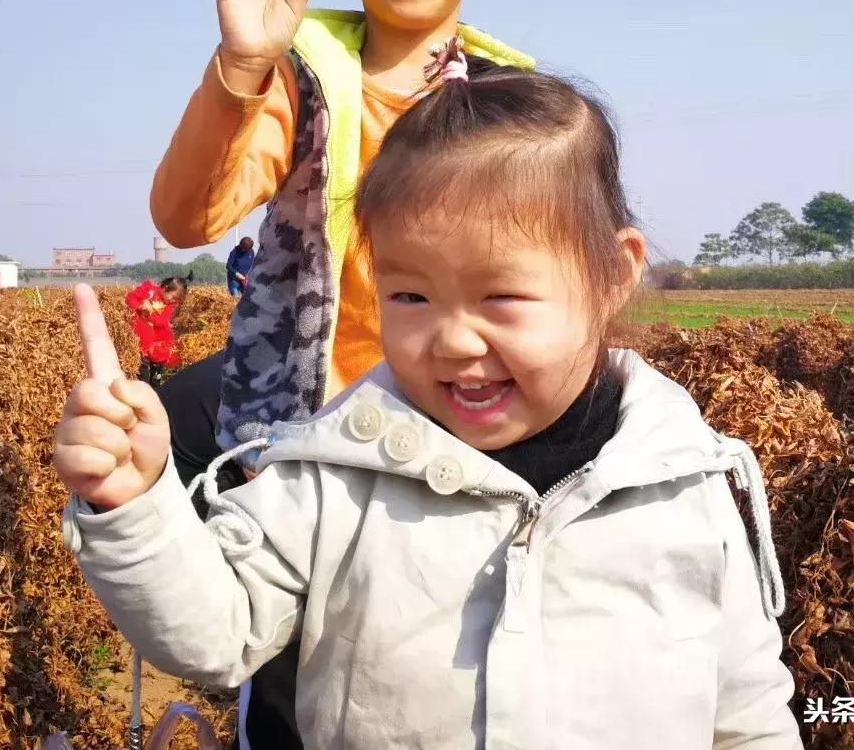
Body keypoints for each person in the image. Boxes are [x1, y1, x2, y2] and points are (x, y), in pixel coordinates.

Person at [57, 53, 803, 749]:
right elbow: (213, 634)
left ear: (614, 272)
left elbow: (748, 709)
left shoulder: (683, 480)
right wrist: (135, 507)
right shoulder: (331, 476)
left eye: (500, 296)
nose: (450, 341)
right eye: (409, 295)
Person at [149, 0, 531, 745]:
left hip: (463, 430)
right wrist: (242, 64)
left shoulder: (517, 104)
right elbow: (185, 217)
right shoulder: (297, 76)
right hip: (309, 436)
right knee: (295, 676)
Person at [125, 273, 190, 390]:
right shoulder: (148, 290)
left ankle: (156, 391)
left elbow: (162, 322)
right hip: (142, 338)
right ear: (166, 288)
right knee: (143, 368)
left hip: (159, 341)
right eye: (173, 297)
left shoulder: (170, 305)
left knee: (157, 370)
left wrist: (150, 312)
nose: (173, 301)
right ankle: (143, 391)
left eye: (176, 300)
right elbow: (130, 299)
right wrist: (140, 305)